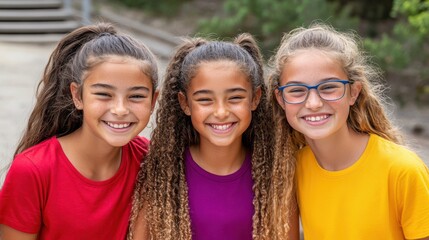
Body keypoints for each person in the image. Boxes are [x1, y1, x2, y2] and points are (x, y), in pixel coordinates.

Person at [128, 33, 299, 240]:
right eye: (205, 100)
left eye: (235, 98)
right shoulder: (162, 172)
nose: (220, 112)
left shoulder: (276, 175)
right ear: (185, 103)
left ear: (255, 98)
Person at [269, 23, 429, 239]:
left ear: (353, 92)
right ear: (281, 99)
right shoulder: (293, 169)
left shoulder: (402, 170)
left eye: (328, 87)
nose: (314, 103)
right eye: (297, 90)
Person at [0, 22, 159, 240]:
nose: (120, 109)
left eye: (136, 96)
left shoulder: (149, 161)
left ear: (153, 101)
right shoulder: (33, 170)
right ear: (77, 96)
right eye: (104, 94)